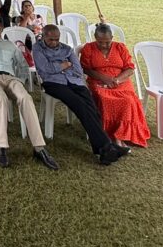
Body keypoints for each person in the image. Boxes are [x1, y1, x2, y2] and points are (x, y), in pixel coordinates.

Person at [0, 16, 59, 170]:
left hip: (10, 77)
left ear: (2, 29)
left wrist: (19, 81)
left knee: (25, 98)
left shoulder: (10, 45)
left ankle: (39, 148)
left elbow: (22, 64)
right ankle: (2, 147)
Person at [33, 26, 128, 165]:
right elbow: (44, 69)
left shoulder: (67, 48)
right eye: (50, 40)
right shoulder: (38, 48)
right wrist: (64, 65)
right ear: (43, 37)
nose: (54, 42)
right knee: (79, 104)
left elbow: (77, 68)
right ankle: (107, 147)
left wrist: (60, 66)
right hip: (53, 83)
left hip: (74, 81)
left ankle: (104, 148)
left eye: (57, 39)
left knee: (92, 107)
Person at [80, 24, 150, 148]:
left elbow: (129, 69)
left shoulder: (120, 47)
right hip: (99, 81)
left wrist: (117, 80)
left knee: (128, 100)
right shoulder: (88, 48)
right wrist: (104, 78)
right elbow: (86, 68)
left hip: (121, 81)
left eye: (107, 42)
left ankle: (120, 136)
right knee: (104, 98)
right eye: (100, 42)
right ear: (95, 37)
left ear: (112, 37)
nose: (104, 45)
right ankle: (110, 134)